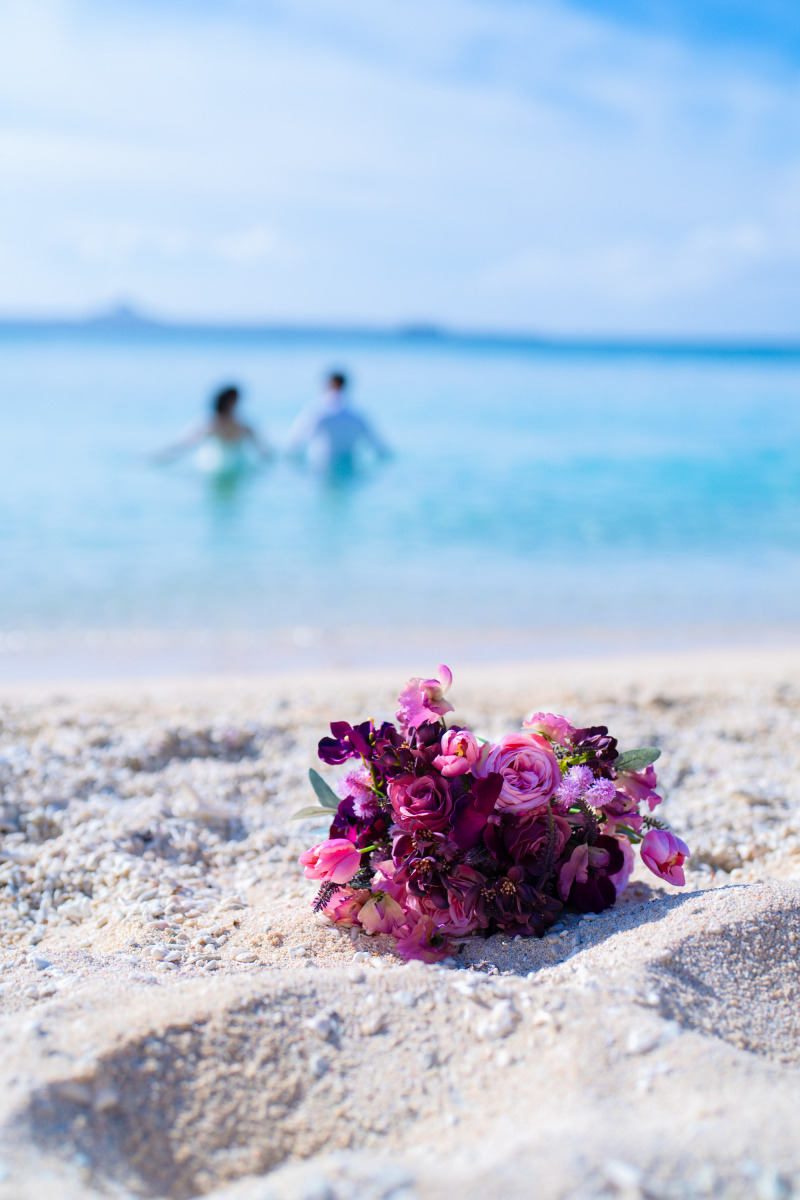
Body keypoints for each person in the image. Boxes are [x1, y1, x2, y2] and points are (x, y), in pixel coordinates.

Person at [285, 371, 389, 477]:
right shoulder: (357, 415)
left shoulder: (317, 411)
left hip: (321, 468)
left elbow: (294, 441)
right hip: (349, 468)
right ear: (345, 386)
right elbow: (379, 447)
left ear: (327, 385)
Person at [156, 385, 272, 475]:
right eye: (234, 401)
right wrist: (162, 456)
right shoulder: (211, 424)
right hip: (220, 468)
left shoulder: (242, 425)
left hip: (229, 468)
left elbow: (263, 451)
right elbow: (184, 444)